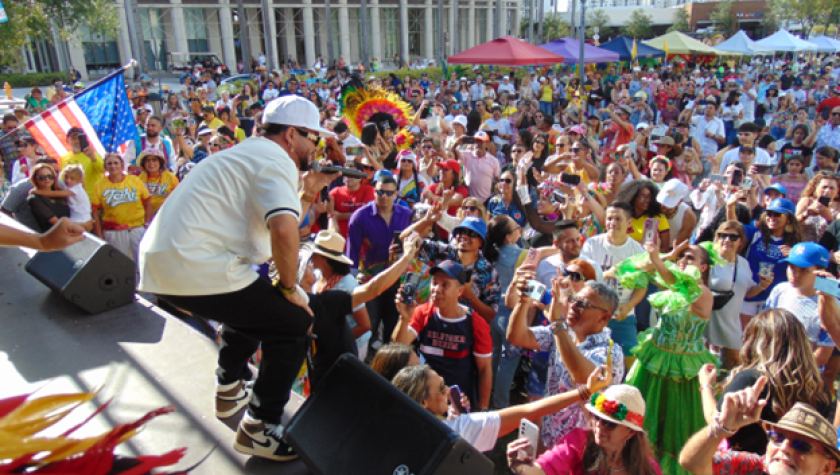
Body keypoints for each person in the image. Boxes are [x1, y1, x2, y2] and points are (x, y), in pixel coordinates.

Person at [138, 96, 337, 461]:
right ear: (292, 135)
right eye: (314, 138)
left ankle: (229, 386)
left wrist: (308, 193)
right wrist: (291, 288)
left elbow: (270, 229)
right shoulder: (275, 161)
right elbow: (283, 230)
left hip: (172, 261)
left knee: (257, 302)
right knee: (293, 321)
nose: (317, 147)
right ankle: (260, 426)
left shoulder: (250, 154)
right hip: (193, 264)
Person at [610, 238, 716, 475]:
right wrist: (666, 256)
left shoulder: (704, 293)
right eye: (682, 256)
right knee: (640, 417)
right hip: (654, 362)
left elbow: (678, 284)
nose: (683, 260)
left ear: (703, 267)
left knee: (674, 429)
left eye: (691, 257)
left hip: (682, 370)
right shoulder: (671, 284)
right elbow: (626, 268)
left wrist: (659, 259)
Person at [507, 271, 624, 448]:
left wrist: (556, 323)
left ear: (604, 317)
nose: (574, 306)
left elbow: (580, 375)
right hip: (550, 437)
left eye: (583, 304)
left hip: (582, 448)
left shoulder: (610, 352)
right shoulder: (563, 334)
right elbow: (517, 336)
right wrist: (524, 301)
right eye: (574, 299)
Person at [392, 361, 612, 453]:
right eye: (441, 388)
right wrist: (584, 390)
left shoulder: (390, 430)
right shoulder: (459, 430)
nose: (448, 389)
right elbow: (530, 411)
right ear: (423, 402)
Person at [697, 309, 832, 455]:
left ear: (755, 342)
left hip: (748, 465)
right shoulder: (819, 387)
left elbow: (716, 421)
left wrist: (706, 386)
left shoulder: (752, 379)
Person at [392, 260, 493, 409]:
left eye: (445, 285)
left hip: (460, 401)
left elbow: (485, 369)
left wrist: (483, 409)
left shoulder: (475, 323)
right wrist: (404, 317)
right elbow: (399, 347)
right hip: (425, 400)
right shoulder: (422, 312)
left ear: (460, 291)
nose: (437, 289)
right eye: (434, 283)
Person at [679, 383, 840, 475]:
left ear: (827, 468)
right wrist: (722, 427)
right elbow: (691, 463)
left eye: (801, 445)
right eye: (778, 438)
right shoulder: (753, 466)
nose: (784, 448)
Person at [507, 384, 662, 475]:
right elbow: (542, 469)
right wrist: (521, 466)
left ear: (631, 432)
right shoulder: (579, 442)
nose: (599, 426)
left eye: (610, 424)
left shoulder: (647, 468)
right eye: (596, 417)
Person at [346, 175, 413, 351]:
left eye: (389, 193)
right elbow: (351, 252)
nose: (384, 196)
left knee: (394, 328)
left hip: (397, 280)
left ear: (396, 194)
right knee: (369, 327)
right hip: (369, 281)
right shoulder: (360, 217)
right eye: (380, 192)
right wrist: (351, 282)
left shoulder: (407, 215)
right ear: (374, 191)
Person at [580, 202, 647, 367]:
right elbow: (581, 278)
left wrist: (629, 306)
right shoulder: (592, 244)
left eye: (618, 218)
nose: (613, 223)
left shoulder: (637, 251)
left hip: (622, 313)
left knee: (630, 361)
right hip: (593, 310)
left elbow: (641, 286)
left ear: (629, 223)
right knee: (588, 360)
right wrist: (606, 274)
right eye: (609, 218)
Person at [705, 220, 766, 369]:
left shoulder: (743, 263)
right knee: (706, 364)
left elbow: (748, 293)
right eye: (722, 235)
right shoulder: (709, 259)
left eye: (732, 237)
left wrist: (763, 285)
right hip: (709, 319)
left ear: (741, 241)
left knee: (736, 362)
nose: (727, 240)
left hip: (731, 320)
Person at [91, 153, 151, 260]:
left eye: (116, 163)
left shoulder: (134, 180)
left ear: (122, 165)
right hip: (114, 231)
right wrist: (100, 237)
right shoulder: (99, 185)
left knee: (143, 261)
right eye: (109, 163)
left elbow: (147, 202)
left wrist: (147, 223)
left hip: (137, 228)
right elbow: (95, 214)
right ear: (105, 166)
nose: (113, 166)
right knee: (120, 263)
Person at [327, 162, 375, 239]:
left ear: (360, 177)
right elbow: (327, 212)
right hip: (340, 240)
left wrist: (340, 215)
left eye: (352, 174)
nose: (348, 177)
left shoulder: (369, 190)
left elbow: (364, 215)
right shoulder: (335, 192)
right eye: (346, 173)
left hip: (362, 241)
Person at [795, 172, 840, 243]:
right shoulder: (807, 201)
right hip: (805, 246)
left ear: (837, 190)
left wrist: (829, 218)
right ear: (816, 187)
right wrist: (806, 214)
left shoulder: (838, 207)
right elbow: (792, 223)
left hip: (827, 248)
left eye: (832, 188)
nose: (827, 190)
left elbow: (838, 230)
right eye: (824, 187)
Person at [26, 163, 70, 233]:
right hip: (54, 236)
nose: (47, 179)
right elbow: (56, 223)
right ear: (35, 179)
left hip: (72, 231)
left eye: (50, 176)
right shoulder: (34, 199)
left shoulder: (60, 192)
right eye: (42, 177)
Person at [60, 128, 103, 199]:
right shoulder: (64, 158)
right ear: (67, 140)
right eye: (74, 138)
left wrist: (93, 158)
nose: (77, 141)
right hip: (74, 200)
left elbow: (103, 169)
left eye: (79, 138)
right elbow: (63, 179)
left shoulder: (93, 154)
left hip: (93, 198)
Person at [137, 146, 179, 218]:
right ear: (143, 163)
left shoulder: (170, 177)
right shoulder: (140, 178)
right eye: (148, 160)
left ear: (160, 162)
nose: (151, 163)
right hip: (144, 217)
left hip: (166, 216)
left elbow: (178, 197)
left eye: (154, 160)